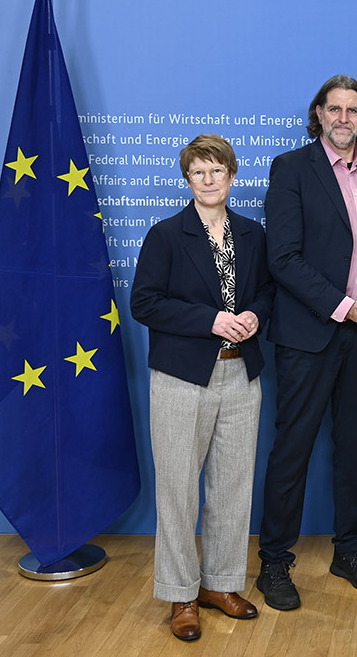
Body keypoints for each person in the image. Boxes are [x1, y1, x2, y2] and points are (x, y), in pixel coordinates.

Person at [257, 75, 357, 610]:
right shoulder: (292, 168)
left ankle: (348, 550)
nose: (344, 118)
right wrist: (344, 306)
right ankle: (274, 562)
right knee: (292, 451)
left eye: (354, 109)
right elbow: (283, 258)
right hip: (310, 335)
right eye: (334, 109)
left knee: (353, 450)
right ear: (318, 113)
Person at [130, 134, 274, 641]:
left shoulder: (253, 234)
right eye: (199, 172)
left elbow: (265, 291)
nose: (209, 180)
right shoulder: (167, 235)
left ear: (232, 176)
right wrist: (212, 320)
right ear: (187, 179)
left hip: (240, 374)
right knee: (177, 490)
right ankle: (181, 594)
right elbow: (144, 303)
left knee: (233, 487)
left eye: (217, 171)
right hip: (181, 378)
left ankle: (222, 583)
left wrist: (255, 313)